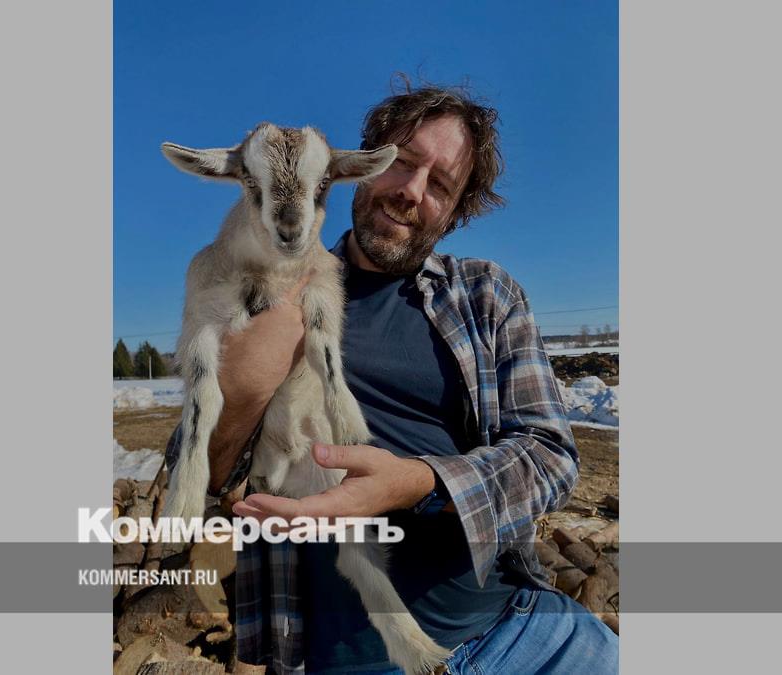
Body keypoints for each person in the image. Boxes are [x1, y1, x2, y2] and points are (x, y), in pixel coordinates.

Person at [166, 82, 618, 674]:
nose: (411, 191)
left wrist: (419, 482)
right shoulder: (268, 287)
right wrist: (251, 381)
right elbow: (197, 475)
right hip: (344, 662)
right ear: (363, 166)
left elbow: (551, 457)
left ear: (454, 212)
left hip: (522, 632)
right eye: (404, 162)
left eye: (441, 185)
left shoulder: (485, 295)